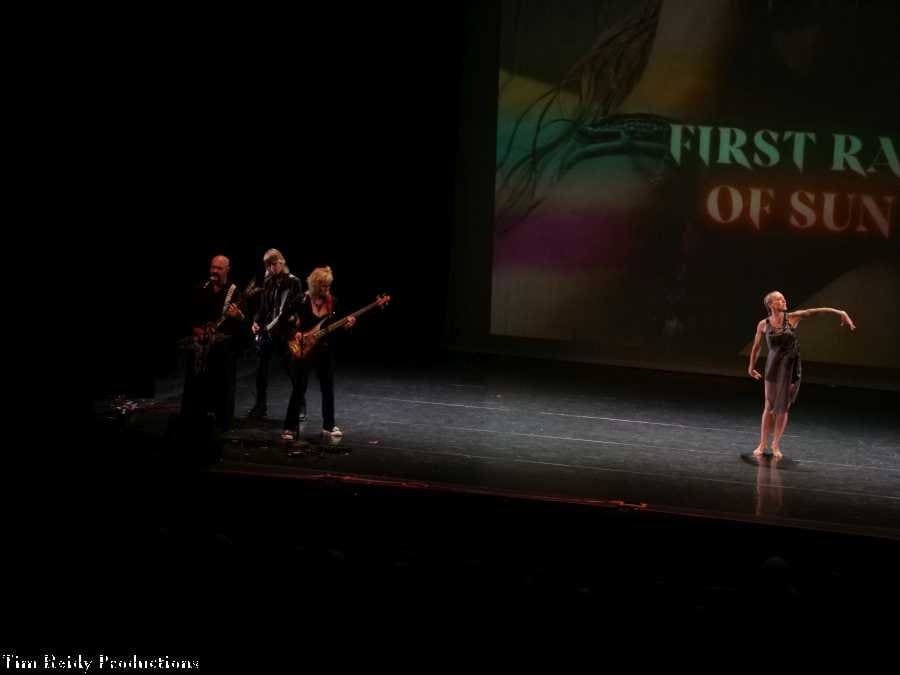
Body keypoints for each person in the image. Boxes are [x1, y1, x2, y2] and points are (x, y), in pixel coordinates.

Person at [747, 291, 855, 459]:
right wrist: (751, 366)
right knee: (769, 405)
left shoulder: (792, 317)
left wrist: (840, 312)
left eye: (783, 298)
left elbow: (815, 311)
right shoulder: (763, 324)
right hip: (773, 365)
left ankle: (775, 444)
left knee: (783, 406)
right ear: (770, 304)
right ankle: (762, 444)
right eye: (779, 299)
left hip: (790, 367)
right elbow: (756, 347)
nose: (784, 301)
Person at [280, 266, 355, 441]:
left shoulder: (333, 302)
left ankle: (329, 425)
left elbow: (337, 328)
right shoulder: (301, 300)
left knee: (327, 387)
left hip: (325, 350)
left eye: (328, 285)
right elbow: (284, 321)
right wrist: (294, 333)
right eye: (323, 286)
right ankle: (290, 427)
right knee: (299, 388)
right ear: (314, 285)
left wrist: (347, 326)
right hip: (304, 349)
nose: (326, 289)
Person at [181, 254, 246, 431]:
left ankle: (222, 423)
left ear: (227, 270)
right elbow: (190, 315)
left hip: (223, 348)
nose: (214, 271)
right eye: (213, 267)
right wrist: (197, 329)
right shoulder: (201, 288)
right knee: (196, 381)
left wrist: (238, 316)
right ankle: (194, 418)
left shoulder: (235, 292)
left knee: (222, 385)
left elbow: (243, 323)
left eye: (219, 268)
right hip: (201, 345)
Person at [247, 248, 303, 418]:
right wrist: (256, 321)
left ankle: (300, 405)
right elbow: (264, 307)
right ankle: (260, 406)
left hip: (286, 332)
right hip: (268, 331)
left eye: (274, 264)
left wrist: (293, 319)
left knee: (291, 370)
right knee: (261, 370)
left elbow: (297, 308)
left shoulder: (294, 282)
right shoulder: (268, 282)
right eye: (268, 265)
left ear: (281, 262)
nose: (271, 268)